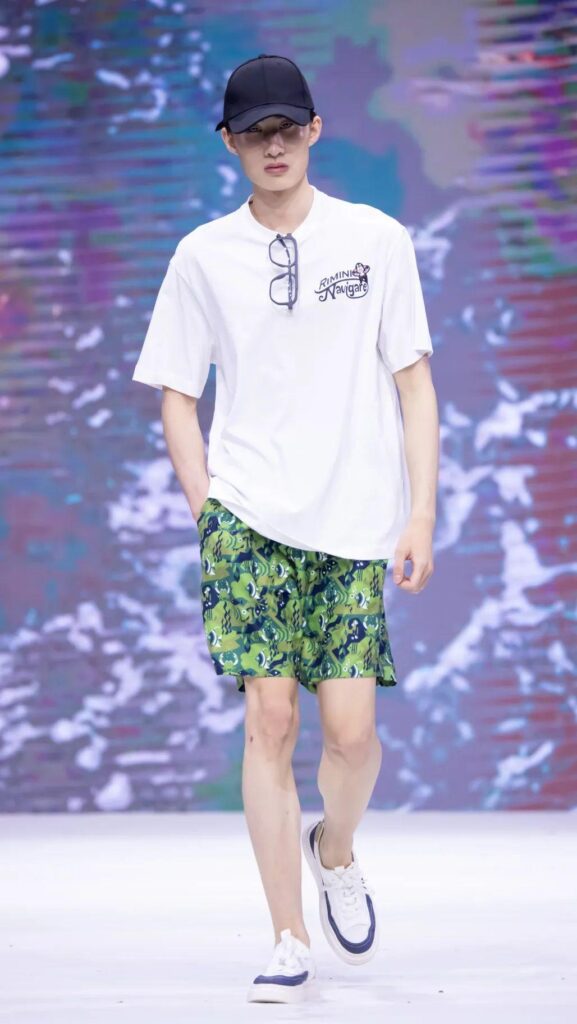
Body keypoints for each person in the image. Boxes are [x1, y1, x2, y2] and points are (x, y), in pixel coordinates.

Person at [132, 53, 439, 1004]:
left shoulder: (375, 240)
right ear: (228, 143)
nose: (273, 145)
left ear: (313, 130)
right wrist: (209, 512)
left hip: (351, 520)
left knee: (352, 738)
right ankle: (286, 934)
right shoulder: (202, 255)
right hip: (250, 519)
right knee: (269, 720)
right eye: (253, 131)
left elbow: (413, 382)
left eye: (287, 128)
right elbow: (175, 392)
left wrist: (420, 511)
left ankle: (333, 848)